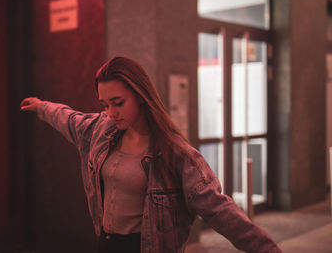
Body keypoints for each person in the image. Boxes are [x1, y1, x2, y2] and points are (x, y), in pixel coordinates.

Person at [20, 57, 281, 253]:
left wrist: (268, 249)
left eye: (118, 103)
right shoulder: (101, 131)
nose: (110, 112)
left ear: (141, 96)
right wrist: (42, 107)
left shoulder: (175, 154)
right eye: (105, 104)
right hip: (107, 244)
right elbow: (70, 119)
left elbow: (219, 210)